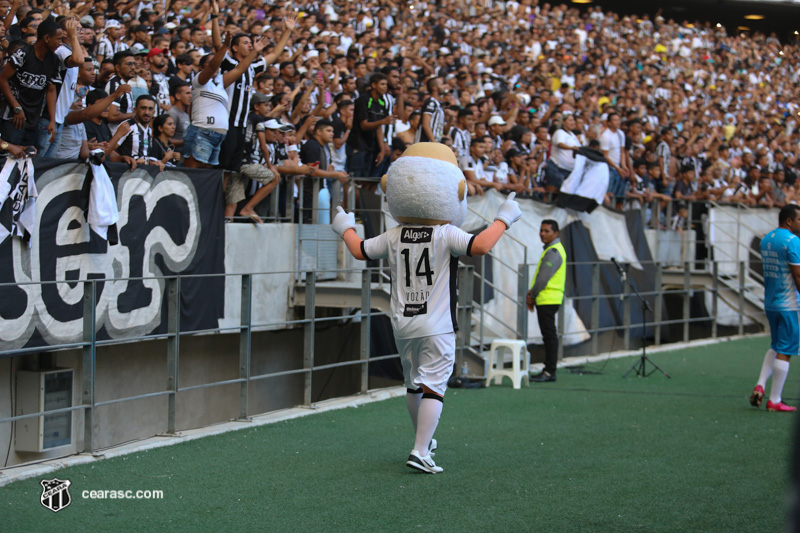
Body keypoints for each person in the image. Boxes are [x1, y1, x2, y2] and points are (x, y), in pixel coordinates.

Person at [332, 142, 522, 473]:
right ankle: (421, 449)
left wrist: (345, 227)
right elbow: (480, 246)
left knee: (413, 382)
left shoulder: (394, 235)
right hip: (437, 324)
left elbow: (360, 251)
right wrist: (503, 219)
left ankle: (424, 439)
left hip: (402, 324)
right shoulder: (445, 232)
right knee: (434, 385)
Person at [749, 204, 800, 412]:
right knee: (786, 350)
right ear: (789, 221)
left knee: (776, 345)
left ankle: (760, 384)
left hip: (770, 301)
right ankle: (775, 400)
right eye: (799, 219)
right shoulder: (793, 241)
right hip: (789, 304)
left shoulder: (766, 239)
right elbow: (797, 275)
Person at [0, 18, 64, 146]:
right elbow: (2, 79)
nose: (60, 43)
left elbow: (51, 90)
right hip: (12, 117)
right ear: (46, 38)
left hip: (33, 118)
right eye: (58, 39)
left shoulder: (54, 60)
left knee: (27, 159)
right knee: (8, 158)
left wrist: (52, 120)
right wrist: (16, 107)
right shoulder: (23, 53)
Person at [526, 219, 567, 383]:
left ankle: (549, 371)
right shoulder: (553, 249)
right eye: (541, 230)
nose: (542, 233)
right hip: (550, 298)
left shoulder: (553, 252)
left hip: (547, 299)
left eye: (547, 231)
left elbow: (543, 279)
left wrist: (532, 295)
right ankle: (549, 370)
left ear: (556, 233)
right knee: (549, 336)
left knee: (549, 336)